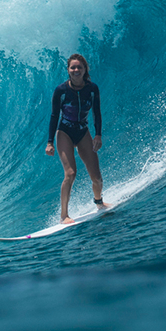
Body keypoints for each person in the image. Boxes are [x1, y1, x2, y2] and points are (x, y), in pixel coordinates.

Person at [45, 53, 106, 223]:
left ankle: (99, 202)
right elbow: (54, 116)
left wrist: (98, 135)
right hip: (64, 132)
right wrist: (50, 142)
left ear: (85, 69)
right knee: (70, 173)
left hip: (83, 131)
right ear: (68, 70)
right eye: (73, 67)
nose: (76, 70)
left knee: (96, 177)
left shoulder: (92, 89)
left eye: (79, 67)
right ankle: (64, 215)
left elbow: (97, 113)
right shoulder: (61, 91)